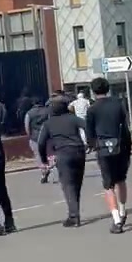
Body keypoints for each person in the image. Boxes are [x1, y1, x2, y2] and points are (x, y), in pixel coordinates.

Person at [85, 77, 132, 232]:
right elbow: (125, 127)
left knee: (108, 184)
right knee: (121, 180)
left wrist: (93, 146)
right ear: (108, 88)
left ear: (93, 91)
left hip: (103, 149)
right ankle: (123, 210)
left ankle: (116, 220)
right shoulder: (118, 104)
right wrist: (128, 146)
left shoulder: (92, 109)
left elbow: (89, 133)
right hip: (121, 146)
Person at [37, 97, 86, 227]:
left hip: (63, 153)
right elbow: (87, 126)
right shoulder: (73, 119)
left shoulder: (48, 123)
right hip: (79, 151)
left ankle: (74, 216)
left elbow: (41, 143)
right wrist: (91, 142)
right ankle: (74, 212)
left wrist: (43, 159)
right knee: (77, 184)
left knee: (68, 185)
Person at [25, 97, 53, 181]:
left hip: (35, 137)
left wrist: (29, 135)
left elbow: (27, 126)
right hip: (46, 136)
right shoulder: (47, 111)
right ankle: (49, 166)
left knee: (38, 155)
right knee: (49, 154)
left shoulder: (29, 113)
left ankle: (44, 171)